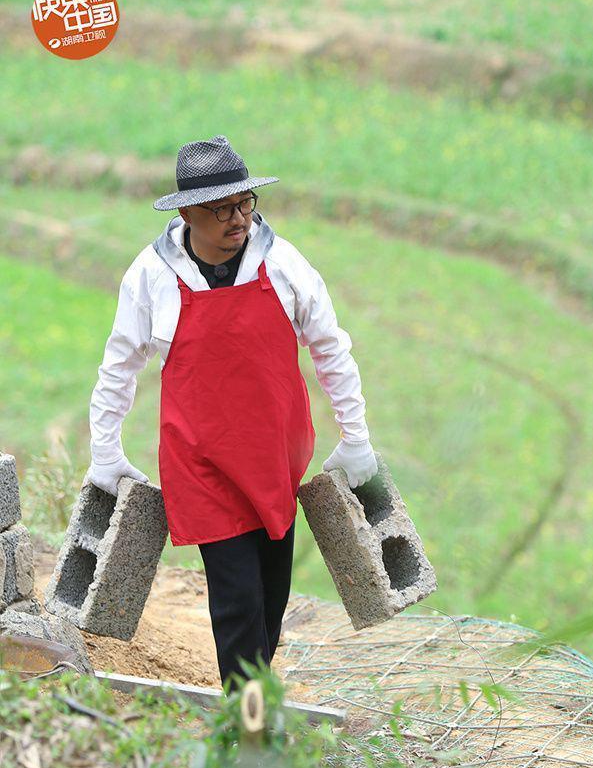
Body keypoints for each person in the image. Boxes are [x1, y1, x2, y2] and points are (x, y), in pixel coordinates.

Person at [85, 134, 378, 694]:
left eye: (245, 204)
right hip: (203, 465)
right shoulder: (151, 275)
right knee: (239, 607)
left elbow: (331, 349)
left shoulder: (284, 263)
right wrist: (105, 450)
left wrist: (356, 436)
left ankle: (250, 715)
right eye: (222, 209)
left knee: (270, 604)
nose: (239, 218)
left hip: (275, 460)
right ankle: (250, 736)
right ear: (188, 212)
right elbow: (119, 365)